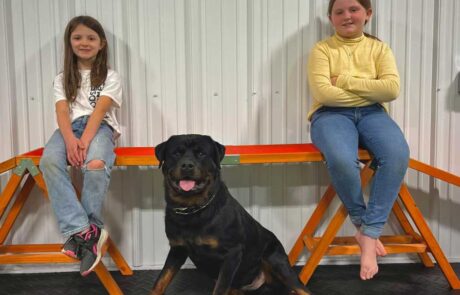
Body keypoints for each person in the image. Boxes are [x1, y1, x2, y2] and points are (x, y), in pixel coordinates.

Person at [307, 0, 409, 280]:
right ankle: (364, 225)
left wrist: (344, 80)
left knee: (397, 156)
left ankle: (368, 232)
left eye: (353, 9)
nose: (347, 16)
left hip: (373, 114)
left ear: (368, 14)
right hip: (329, 115)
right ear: (331, 18)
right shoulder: (321, 50)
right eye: (339, 12)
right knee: (341, 159)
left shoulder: (379, 49)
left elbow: (390, 89)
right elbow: (325, 95)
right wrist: (369, 90)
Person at [40, 15, 122, 276]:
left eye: (90, 38)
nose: (84, 42)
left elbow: (100, 111)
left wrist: (84, 141)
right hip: (69, 130)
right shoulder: (62, 77)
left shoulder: (110, 76)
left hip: (98, 128)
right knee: (49, 161)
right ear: (69, 42)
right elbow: (62, 111)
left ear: (102, 44)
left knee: (96, 164)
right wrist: (70, 140)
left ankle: (84, 234)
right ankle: (85, 231)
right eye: (78, 37)